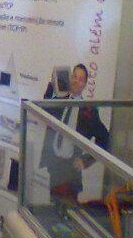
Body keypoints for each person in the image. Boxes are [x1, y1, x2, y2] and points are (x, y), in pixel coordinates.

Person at [40, 63, 110, 202]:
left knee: (68, 208)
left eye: (80, 79)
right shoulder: (59, 101)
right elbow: (44, 109)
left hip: (71, 170)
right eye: (74, 76)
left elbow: (104, 139)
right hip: (54, 166)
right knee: (52, 206)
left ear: (85, 84)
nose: (76, 81)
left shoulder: (88, 111)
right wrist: (51, 85)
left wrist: (85, 160)